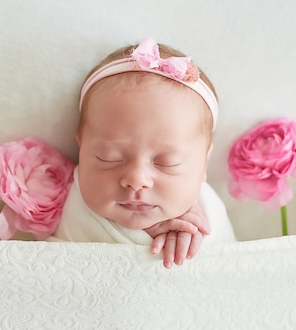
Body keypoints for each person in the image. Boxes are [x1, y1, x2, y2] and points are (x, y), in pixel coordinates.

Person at [50, 38, 236, 267]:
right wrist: (148, 234)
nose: (136, 179)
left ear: (204, 164)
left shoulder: (209, 209)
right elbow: (61, 264)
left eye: (169, 162)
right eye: (108, 157)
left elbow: (230, 267)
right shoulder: (76, 200)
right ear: (81, 149)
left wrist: (196, 235)